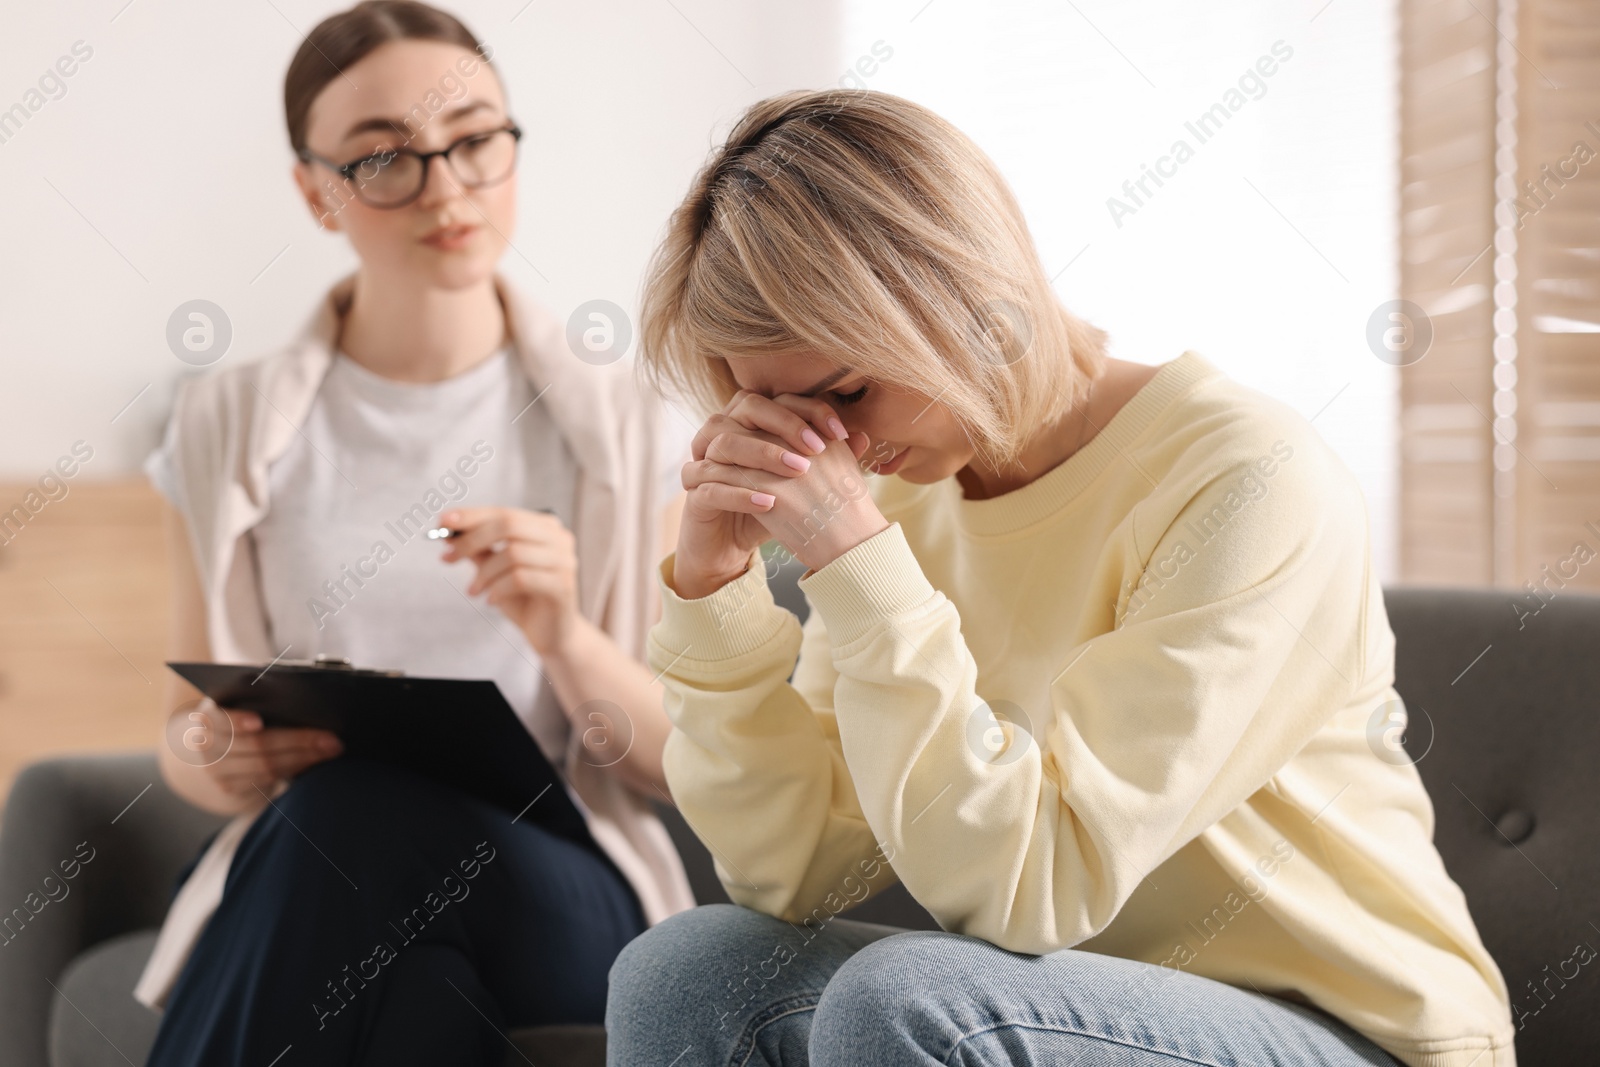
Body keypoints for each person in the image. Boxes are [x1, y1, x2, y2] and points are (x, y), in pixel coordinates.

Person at [605, 89, 1516, 1067]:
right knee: (687, 965)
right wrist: (715, 586)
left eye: (842, 393)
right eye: (770, 406)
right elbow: (793, 867)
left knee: (913, 998)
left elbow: (1037, 884)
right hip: (1065, 1012)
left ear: (955, 297)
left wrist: (859, 566)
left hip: (1352, 1029)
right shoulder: (904, 501)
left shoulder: (1244, 478)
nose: (837, 448)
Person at [139, 3, 695, 1063]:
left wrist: (563, 631)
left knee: (346, 813)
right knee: (418, 999)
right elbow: (179, 731)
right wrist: (216, 759)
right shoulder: (225, 424)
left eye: (475, 139)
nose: (445, 186)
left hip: (560, 884)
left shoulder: (623, 424)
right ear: (314, 191)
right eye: (383, 156)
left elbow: (687, 760)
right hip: (318, 863)